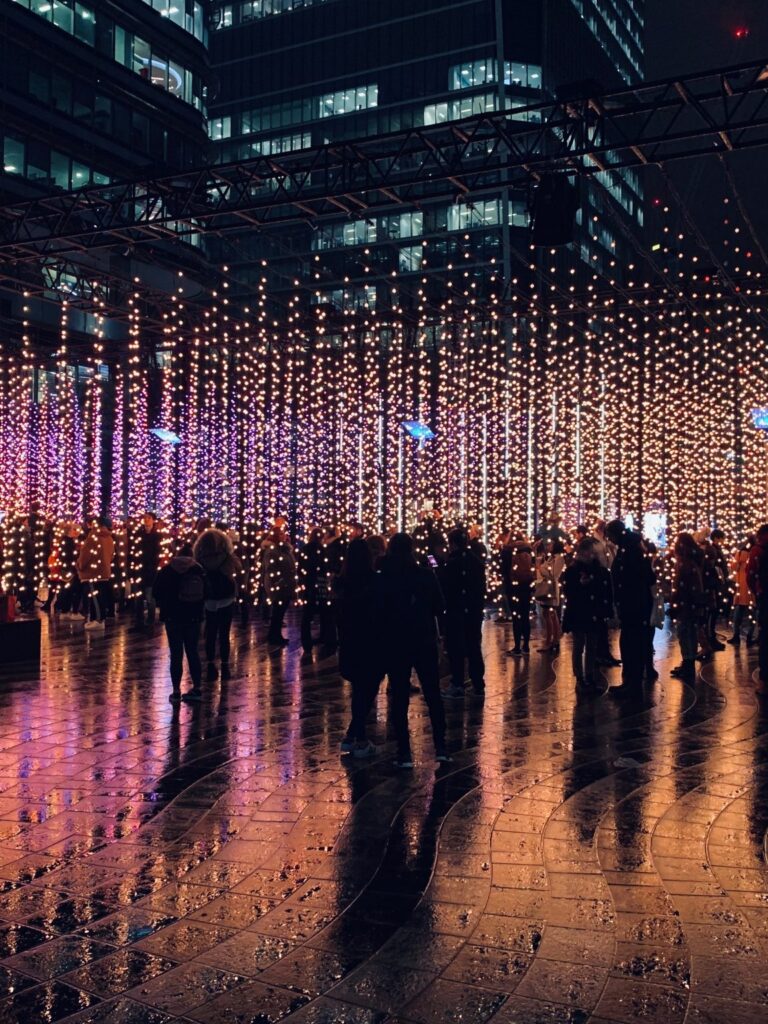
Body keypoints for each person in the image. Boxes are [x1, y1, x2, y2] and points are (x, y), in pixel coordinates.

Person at [375, 532, 450, 768]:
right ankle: (441, 747)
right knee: (433, 694)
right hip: (423, 639)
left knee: (399, 696)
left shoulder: (384, 577)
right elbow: (440, 606)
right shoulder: (425, 575)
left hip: (395, 640)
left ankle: (404, 752)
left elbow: (378, 609)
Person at [335, 539, 385, 757]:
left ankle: (352, 734)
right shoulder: (375, 581)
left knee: (360, 689)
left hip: (349, 641)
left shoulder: (341, 582)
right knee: (368, 689)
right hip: (371, 641)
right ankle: (360, 738)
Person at [605, 520, 656, 693]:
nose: (609, 539)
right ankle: (632, 680)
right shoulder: (634, 548)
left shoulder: (629, 551)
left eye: (610, 535)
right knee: (634, 641)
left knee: (630, 642)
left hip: (632, 603)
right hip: (637, 602)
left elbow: (634, 577)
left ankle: (631, 683)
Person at [153, 543, 205, 702]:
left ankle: (176, 691)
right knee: (193, 652)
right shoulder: (198, 569)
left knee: (176, 654)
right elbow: (207, 592)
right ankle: (197, 688)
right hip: (193, 617)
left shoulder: (167, 570)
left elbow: (156, 592)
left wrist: (164, 606)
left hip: (172, 617)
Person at [438, 528, 486, 698]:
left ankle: (457, 683)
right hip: (473, 611)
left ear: (452, 544)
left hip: (456, 611)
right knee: (473, 645)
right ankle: (478, 682)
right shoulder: (476, 562)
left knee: (456, 647)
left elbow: (444, 585)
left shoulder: (452, 563)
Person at [561, 538, 612, 688]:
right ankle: (580, 677)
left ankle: (588, 675)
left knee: (590, 644)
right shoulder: (574, 570)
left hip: (592, 610)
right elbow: (569, 591)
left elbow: (605, 591)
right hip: (581, 611)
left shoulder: (599, 570)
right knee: (580, 644)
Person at [193, 527, 242, 681]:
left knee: (211, 632)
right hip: (226, 597)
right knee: (224, 633)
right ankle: (225, 664)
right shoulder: (227, 556)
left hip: (209, 598)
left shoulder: (200, 558)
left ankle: (210, 664)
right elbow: (239, 568)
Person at [670, 532, 706, 683]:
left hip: (686, 604)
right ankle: (687, 663)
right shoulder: (692, 561)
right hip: (691, 604)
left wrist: (675, 602)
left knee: (685, 634)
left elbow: (680, 587)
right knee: (688, 633)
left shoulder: (685, 564)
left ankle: (688, 664)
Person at [76, 517, 115, 631]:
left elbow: (85, 554)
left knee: (95, 597)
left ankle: (98, 620)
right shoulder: (109, 537)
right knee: (100, 596)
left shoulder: (93, 536)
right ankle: (97, 619)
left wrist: (80, 565)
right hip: (104, 571)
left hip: (92, 572)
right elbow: (112, 555)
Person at [261, 525, 296, 646]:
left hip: (286, 584)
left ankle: (276, 635)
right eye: (281, 534)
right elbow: (270, 569)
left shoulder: (285, 549)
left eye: (284, 533)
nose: (284, 536)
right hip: (278, 586)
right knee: (277, 612)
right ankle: (274, 636)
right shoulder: (272, 550)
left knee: (280, 613)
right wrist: (279, 581)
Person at [502, 532, 534, 656]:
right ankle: (526, 646)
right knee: (525, 615)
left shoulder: (508, 550)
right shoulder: (528, 549)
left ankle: (517, 647)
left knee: (516, 617)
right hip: (526, 586)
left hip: (513, 587)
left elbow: (503, 569)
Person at [747, 524, 768, 689]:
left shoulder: (757, 551)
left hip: (765, 597)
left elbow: (750, 575)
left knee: (765, 637)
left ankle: (764, 680)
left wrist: (757, 592)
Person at [534, 541, 565, 653]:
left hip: (550, 589)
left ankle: (551, 641)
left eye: (551, 544)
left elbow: (554, 575)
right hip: (547, 588)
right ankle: (554, 639)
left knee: (550, 614)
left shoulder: (559, 558)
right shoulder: (551, 558)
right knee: (549, 614)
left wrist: (540, 568)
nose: (548, 546)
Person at [298, 527, 324, 655]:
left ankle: (306, 642)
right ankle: (325, 639)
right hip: (320, 584)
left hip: (308, 585)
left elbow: (300, 568)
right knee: (323, 612)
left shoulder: (305, 549)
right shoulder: (322, 549)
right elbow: (325, 567)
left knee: (307, 616)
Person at [135, 512, 162, 626]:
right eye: (144, 518)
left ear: (153, 520)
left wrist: (154, 565)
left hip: (151, 569)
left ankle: (150, 619)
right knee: (138, 595)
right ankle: (139, 618)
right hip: (140, 569)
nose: (146, 520)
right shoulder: (138, 534)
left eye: (149, 518)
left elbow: (158, 552)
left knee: (150, 595)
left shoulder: (157, 535)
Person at [729, 534, 756, 646]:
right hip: (753, 586)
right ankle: (750, 636)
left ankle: (736, 636)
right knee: (753, 614)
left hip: (741, 586)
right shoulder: (757, 552)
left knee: (738, 612)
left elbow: (733, 567)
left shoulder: (740, 553)